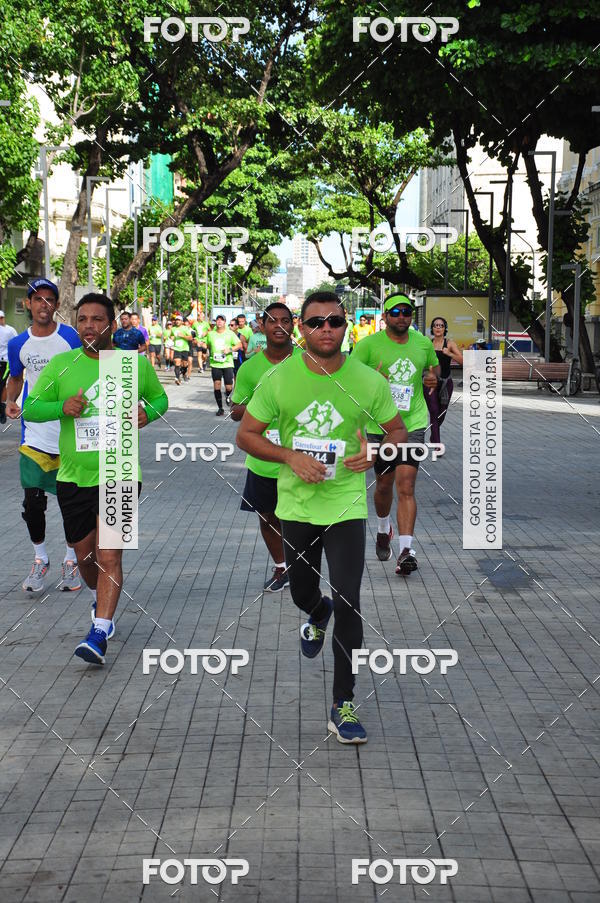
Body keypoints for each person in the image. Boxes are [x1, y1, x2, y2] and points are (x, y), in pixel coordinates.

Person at [237, 291, 405, 743]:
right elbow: (246, 435)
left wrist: (378, 450)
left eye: (333, 321)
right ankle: (316, 611)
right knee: (303, 593)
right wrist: (289, 457)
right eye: (315, 323)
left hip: (346, 503)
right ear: (302, 330)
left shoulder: (368, 381)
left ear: (345, 324)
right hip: (296, 506)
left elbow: (397, 431)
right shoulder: (278, 379)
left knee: (350, 598)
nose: (325, 329)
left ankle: (343, 703)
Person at [22, 292, 168, 665]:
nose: (90, 325)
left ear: (112, 325)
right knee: (86, 557)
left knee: (109, 554)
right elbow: (31, 408)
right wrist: (62, 407)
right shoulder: (62, 365)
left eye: (97, 319)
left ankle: (99, 630)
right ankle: (97, 597)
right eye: (83, 319)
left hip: (120, 471)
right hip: (73, 477)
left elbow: (158, 398)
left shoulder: (131, 365)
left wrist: (146, 413)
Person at [353, 293, 439, 575]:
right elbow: (348, 380)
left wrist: (432, 379)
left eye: (407, 311)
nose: (402, 316)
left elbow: (434, 371)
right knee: (383, 485)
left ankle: (405, 551)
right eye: (396, 311)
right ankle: (382, 528)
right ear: (385, 316)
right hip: (379, 426)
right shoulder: (367, 346)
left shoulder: (423, 343)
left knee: (406, 485)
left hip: (412, 423)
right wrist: (372, 380)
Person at [6, 278, 82, 592]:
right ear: (28, 304)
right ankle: (40, 559)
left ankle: (70, 561)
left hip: (69, 434)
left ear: (56, 305)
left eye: (49, 299)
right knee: (32, 504)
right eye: (38, 299)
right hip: (33, 436)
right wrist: (10, 401)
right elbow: (16, 377)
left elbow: (88, 370)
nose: (43, 305)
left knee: (69, 503)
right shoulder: (17, 344)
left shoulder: (70, 338)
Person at [231, 303, 298, 592]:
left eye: (285, 320)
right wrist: (261, 408)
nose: (279, 325)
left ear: (293, 325)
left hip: (301, 456)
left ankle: (303, 567)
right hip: (263, 457)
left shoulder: (308, 361)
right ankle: (282, 567)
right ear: (262, 325)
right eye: (273, 320)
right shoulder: (250, 368)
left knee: (299, 517)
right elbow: (235, 410)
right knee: (268, 516)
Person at [425, 316, 463, 449]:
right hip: (431, 383)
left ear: (445, 328)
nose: (438, 328)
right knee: (434, 411)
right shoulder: (428, 344)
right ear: (432, 328)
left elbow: (463, 361)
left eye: (441, 325)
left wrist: (450, 354)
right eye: (435, 325)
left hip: (446, 383)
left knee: (441, 414)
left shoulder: (450, 344)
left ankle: (433, 435)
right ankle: (437, 444)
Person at [206, 314, 242, 415]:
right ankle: (220, 408)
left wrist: (230, 349)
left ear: (224, 322)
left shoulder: (230, 333)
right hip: (215, 364)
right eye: (218, 320)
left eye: (222, 320)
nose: (219, 322)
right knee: (216, 385)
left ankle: (228, 396)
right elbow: (207, 344)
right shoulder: (211, 334)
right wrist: (201, 344)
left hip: (227, 363)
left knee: (228, 387)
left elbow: (239, 345)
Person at [0, 309, 17, 424]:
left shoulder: (10, 330)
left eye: (2, 318)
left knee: (1, 384)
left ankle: (2, 410)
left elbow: (16, 342)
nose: (1, 320)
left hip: (5, 361)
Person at [171, 313, 193, 385]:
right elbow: (171, 336)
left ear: (182, 322)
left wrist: (183, 336)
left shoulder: (185, 328)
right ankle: (177, 378)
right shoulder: (173, 329)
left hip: (184, 348)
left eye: (179, 320)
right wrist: (172, 338)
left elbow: (190, 338)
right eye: (176, 320)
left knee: (184, 364)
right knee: (177, 363)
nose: (177, 321)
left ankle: (184, 374)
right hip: (177, 348)